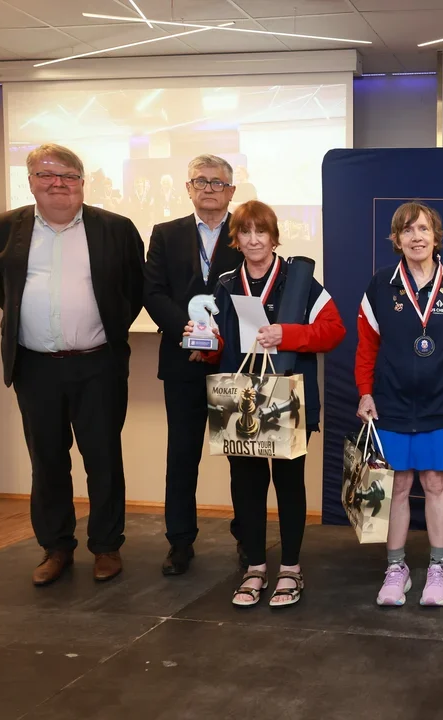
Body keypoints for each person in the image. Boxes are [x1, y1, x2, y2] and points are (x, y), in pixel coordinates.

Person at [0, 143, 144, 585]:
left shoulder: (115, 228)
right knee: (47, 461)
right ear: (30, 180)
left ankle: (107, 547)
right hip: (35, 368)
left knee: (104, 459)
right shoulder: (1, 229)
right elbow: (3, 292)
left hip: (98, 366)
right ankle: (56, 548)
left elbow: (131, 291)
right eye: (47, 175)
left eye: (69, 176)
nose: (58, 184)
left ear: (82, 182)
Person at [186, 200, 346, 607]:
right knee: (247, 484)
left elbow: (333, 331)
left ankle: (290, 569)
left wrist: (288, 335)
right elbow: (217, 348)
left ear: (274, 237)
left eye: (262, 232)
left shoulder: (301, 281)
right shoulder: (224, 284)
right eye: (245, 232)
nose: (254, 239)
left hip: (288, 396)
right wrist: (202, 340)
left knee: (290, 483)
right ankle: (255, 567)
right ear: (235, 239)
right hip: (239, 399)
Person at [355, 202, 443, 607]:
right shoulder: (380, 285)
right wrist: (365, 391)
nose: (416, 236)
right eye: (407, 230)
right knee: (398, 486)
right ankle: (396, 570)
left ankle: (437, 569)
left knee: (435, 483)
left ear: (435, 236)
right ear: (396, 239)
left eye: (423, 229)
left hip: (441, 403)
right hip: (391, 402)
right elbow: (366, 347)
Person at [145, 154, 246, 575]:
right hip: (182, 360)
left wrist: (220, 334)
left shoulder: (248, 232)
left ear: (231, 191)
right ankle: (180, 541)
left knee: (242, 454)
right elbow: (152, 291)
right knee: (182, 453)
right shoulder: (166, 234)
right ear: (188, 189)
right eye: (200, 181)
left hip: (233, 361)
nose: (208, 188)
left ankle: (249, 539)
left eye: (217, 182)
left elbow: (257, 288)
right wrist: (185, 327)